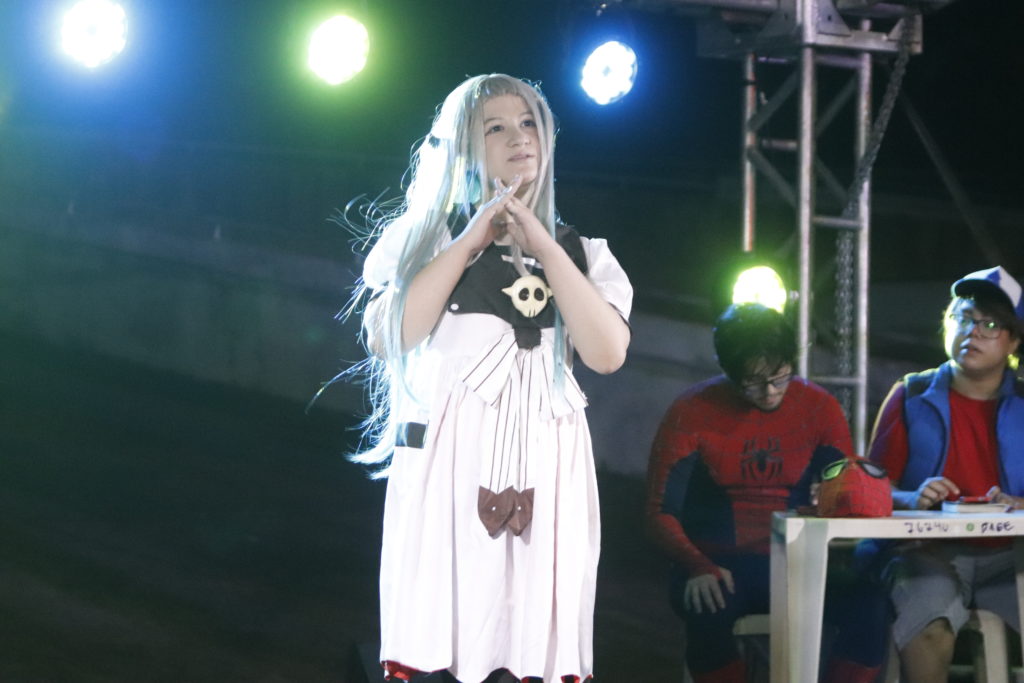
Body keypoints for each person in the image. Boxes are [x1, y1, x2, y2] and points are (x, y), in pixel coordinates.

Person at [350, 74, 632, 683]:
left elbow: (607, 353)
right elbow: (388, 337)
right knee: (447, 642)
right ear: (461, 148)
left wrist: (546, 248)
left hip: (546, 472)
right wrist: (471, 240)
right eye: (495, 128)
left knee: (528, 645)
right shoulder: (427, 240)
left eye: (528, 123)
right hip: (450, 471)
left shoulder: (583, 254)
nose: (518, 138)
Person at [645, 302, 889, 682]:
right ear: (728, 370)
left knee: (871, 606)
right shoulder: (692, 410)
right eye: (752, 382)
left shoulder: (818, 407)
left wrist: (849, 501)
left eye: (779, 377)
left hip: (794, 565)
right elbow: (659, 511)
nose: (770, 392)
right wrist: (697, 564)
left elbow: (851, 490)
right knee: (707, 605)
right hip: (716, 564)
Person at [867, 265, 1024, 682]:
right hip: (927, 553)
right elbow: (870, 487)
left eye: (990, 324)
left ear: (1014, 340)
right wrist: (911, 498)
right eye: (963, 318)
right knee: (930, 628)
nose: (972, 332)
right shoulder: (911, 393)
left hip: (1012, 556)